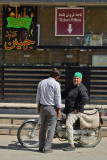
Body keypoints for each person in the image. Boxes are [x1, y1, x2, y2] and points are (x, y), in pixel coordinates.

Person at [36, 68, 62, 153]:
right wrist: (59, 109)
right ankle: (47, 148)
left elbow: (38, 95)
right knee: (51, 129)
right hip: (52, 108)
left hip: (43, 107)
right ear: (57, 76)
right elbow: (57, 97)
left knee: (43, 128)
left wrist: (38, 106)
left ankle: (41, 147)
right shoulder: (56, 84)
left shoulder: (42, 82)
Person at [61, 72, 89, 151]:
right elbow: (63, 94)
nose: (76, 79)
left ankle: (72, 145)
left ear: (81, 79)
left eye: (77, 78)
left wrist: (78, 108)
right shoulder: (71, 87)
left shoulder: (82, 88)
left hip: (75, 111)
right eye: (74, 78)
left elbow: (85, 98)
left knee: (68, 125)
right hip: (67, 110)